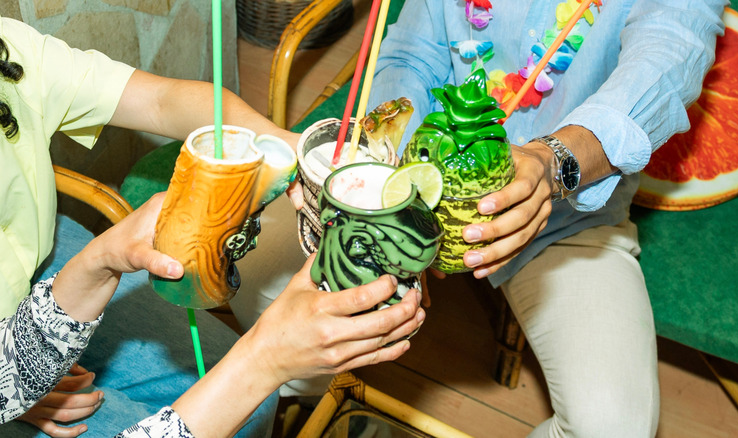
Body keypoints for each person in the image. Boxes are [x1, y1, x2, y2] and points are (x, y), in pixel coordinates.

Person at [0, 15, 424, 437]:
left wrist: (294, 153)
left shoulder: (10, 50)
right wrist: (15, 389)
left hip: (41, 257)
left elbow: (160, 100)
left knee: (254, 406)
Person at [367, 0, 726, 436]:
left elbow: (669, 56)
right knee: (280, 289)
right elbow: (410, 58)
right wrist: (401, 191)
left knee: (613, 427)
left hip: (568, 216)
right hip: (408, 178)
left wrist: (553, 161)